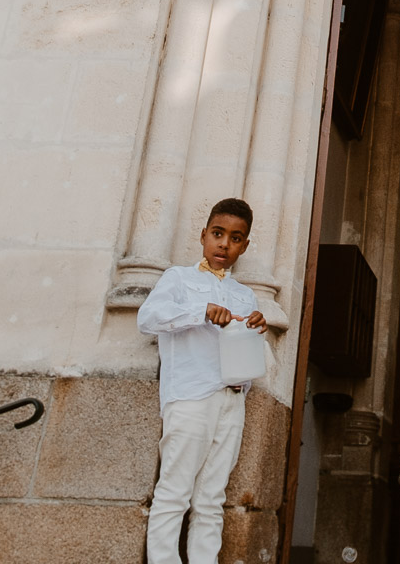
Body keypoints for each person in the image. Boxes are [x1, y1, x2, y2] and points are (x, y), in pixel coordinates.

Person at [134, 198, 267, 564]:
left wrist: (253, 331)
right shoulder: (179, 278)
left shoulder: (245, 295)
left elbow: (243, 351)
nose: (225, 244)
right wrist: (202, 311)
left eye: (236, 238)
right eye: (218, 234)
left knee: (211, 498)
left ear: (245, 245)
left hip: (232, 398)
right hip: (191, 397)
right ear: (203, 235)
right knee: (175, 492)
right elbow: (148, 319)